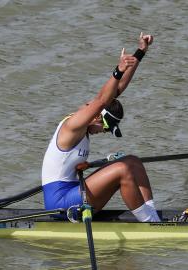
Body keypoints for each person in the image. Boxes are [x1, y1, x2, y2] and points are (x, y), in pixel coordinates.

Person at [41, 32, 160, 222]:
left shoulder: (89, 118)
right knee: (122, 169)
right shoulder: (73, 125)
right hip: (60, 203)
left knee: (133, 162)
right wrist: (117, 70)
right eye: (105, 128)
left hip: (74, 192)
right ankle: (150, 223)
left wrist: (140, 52)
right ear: (97, 117)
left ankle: (152, 214)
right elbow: (103, 99)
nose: (103, 133)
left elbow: (117, 88)